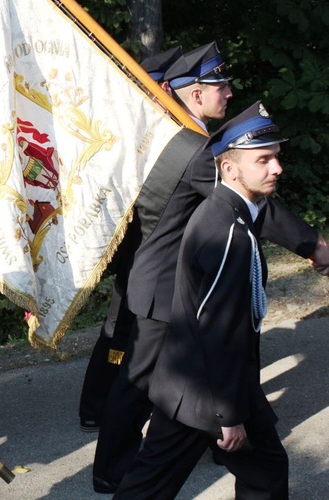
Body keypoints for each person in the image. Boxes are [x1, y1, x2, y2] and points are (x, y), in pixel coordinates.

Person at [90, 44, 329, 494]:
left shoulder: (170, 133)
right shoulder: (198, 150)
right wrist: (315, 246)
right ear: (193, 94)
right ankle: (114, 469)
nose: (228, 92)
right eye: (219, 86)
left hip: (168, 279)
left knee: (154, 390)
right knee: (146, 387)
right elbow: (257, 209)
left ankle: (134, 462)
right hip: (172, 286)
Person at [115, 101, 292, 499]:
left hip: (200, 384)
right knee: (150, 485)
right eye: (263, 160)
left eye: (276, 157)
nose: (276, 168)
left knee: (264, 471)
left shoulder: (229, 214)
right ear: (229, 169)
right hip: (204, 392)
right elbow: (217, 332)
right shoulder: (226, 232)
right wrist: (228, 415)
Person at [79, 45, 184, 433]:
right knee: (121, 332)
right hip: (136, 246)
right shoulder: (137, 131)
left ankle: (106, 404)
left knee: (131, 331)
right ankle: (98, 404)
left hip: (148, 245)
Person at [165, 41, 234, 133]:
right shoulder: (189, 141)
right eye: (221, 88)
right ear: (197, 96)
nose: (229, 94)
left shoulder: (184, 134)